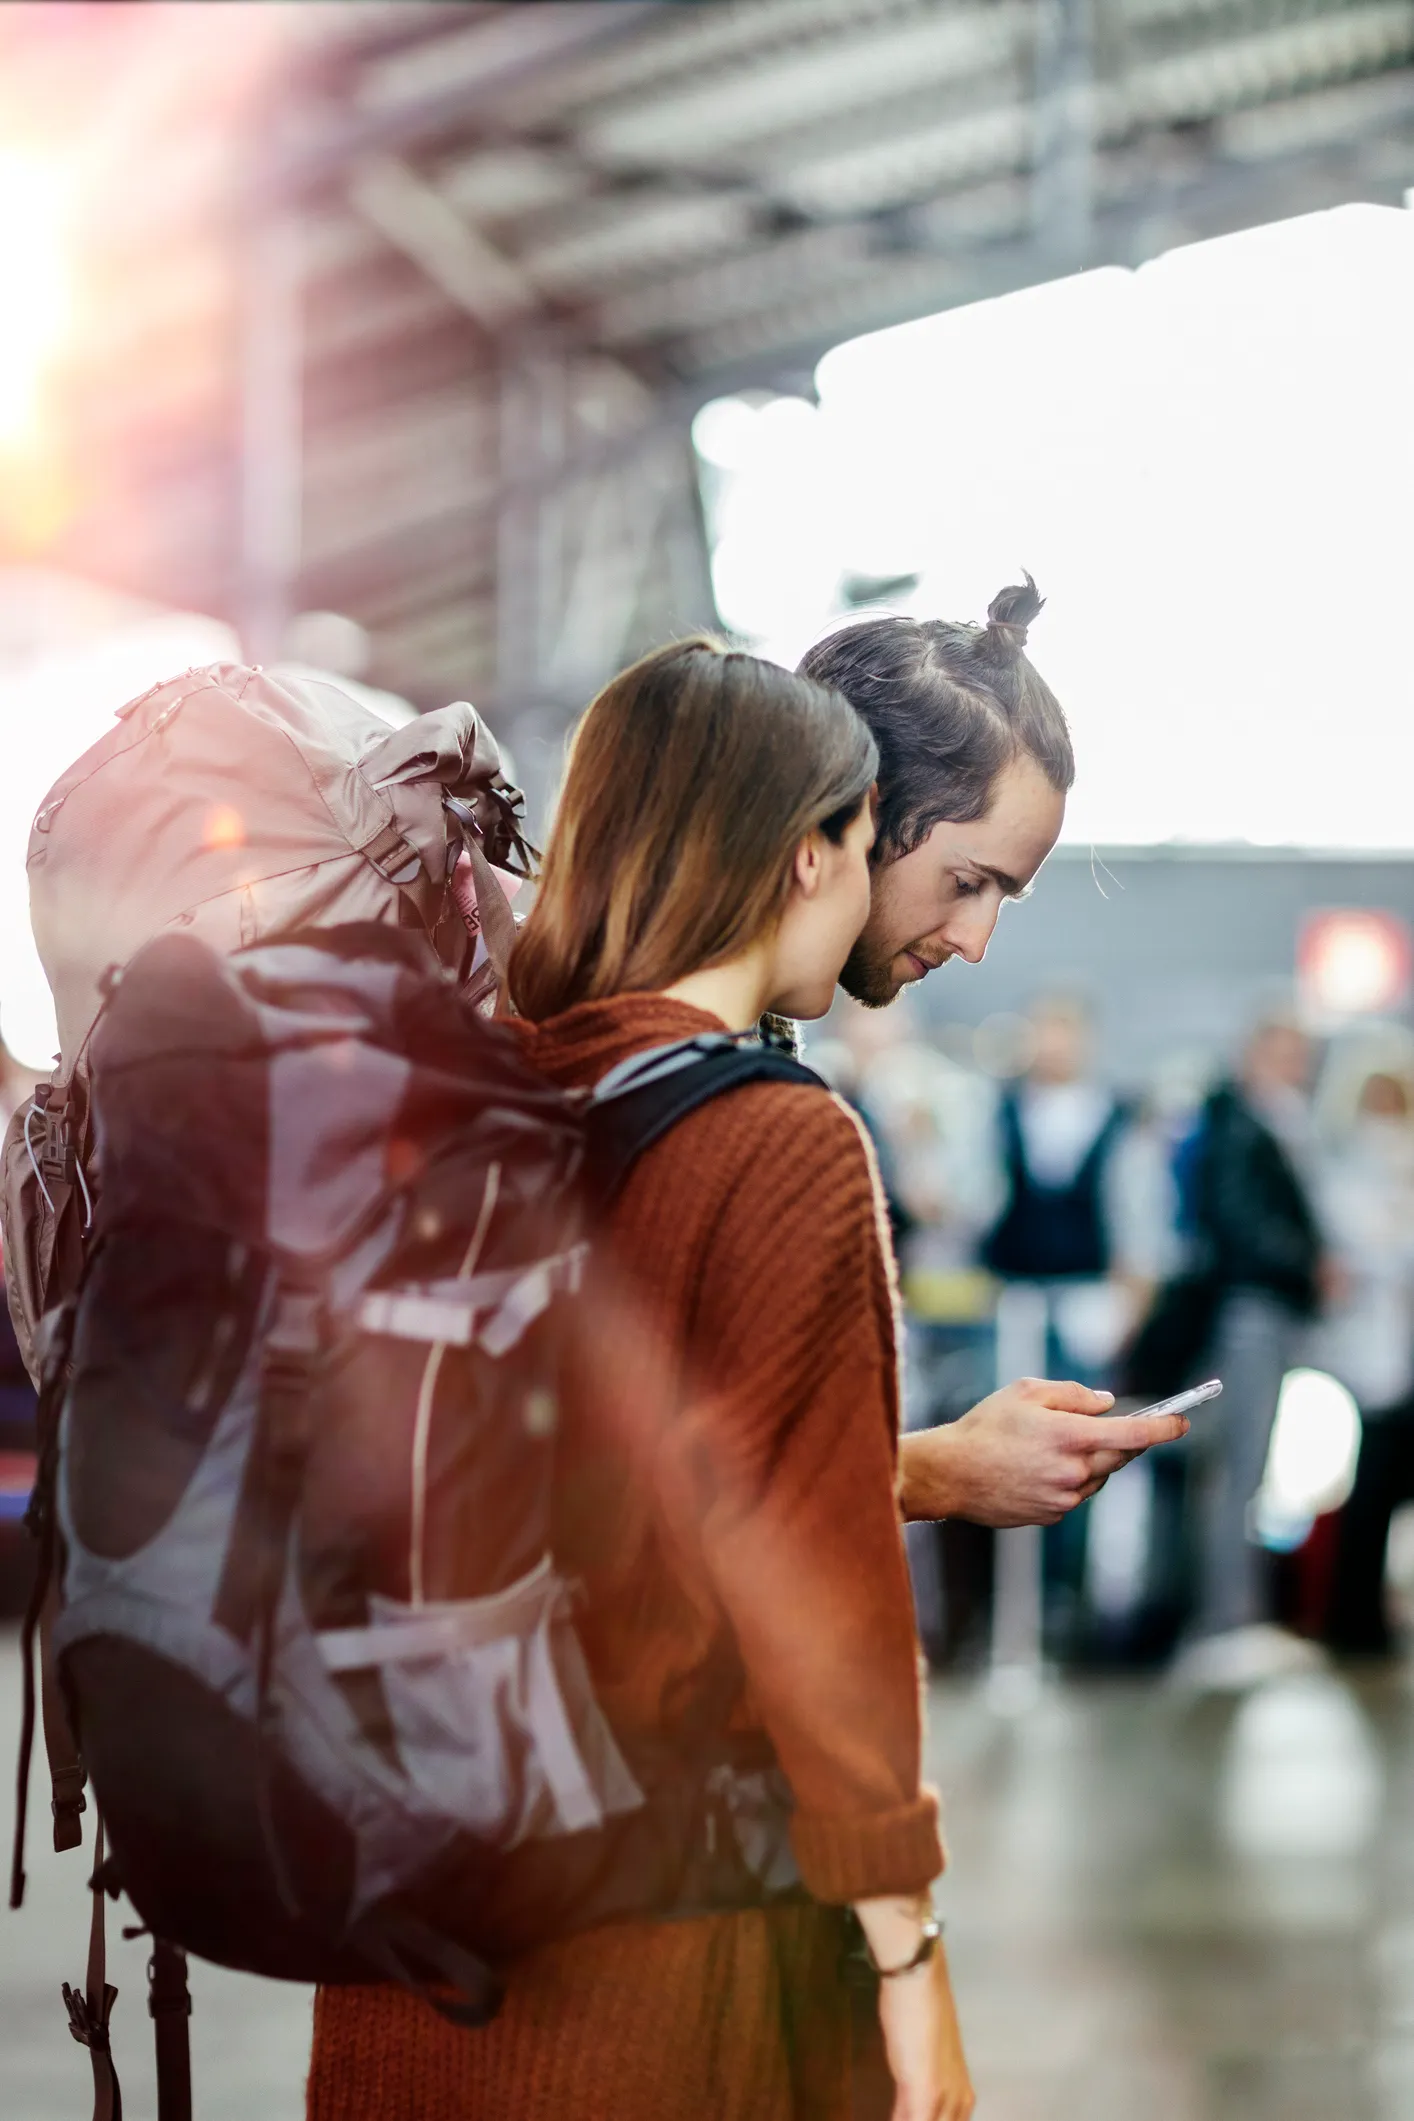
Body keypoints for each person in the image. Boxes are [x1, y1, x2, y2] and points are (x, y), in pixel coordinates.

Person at [309, 638, 972, 2121]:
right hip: (657, 1962)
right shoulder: (776, 1142)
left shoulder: (437, 1104)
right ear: (803, 857)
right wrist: (905, 1952)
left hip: (400, 1944)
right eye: (867, 849)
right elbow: (814, 1585)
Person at [798, 583, 1190, 1528]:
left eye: (999, 900)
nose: (974, 943)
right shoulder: (702, 1070)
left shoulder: (764, 1057)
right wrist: (933, 1472)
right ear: (849, 815)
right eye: (967, 882)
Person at [1167, 1010, 1327, 1687]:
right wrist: (1307, 1264)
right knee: (1238, 1468)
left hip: (1258, 1306)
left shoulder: (1260, 1123)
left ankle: (1235, 1615)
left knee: (1243, 1470)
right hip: (1250, 1309)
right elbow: (1240, 1225)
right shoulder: (1241, 1125)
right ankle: (1229, 1620)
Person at [1315, 1065, 1414, 1654]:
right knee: (1371, 1489)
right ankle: (1353, 1620)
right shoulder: (1345, 1178)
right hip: (1374, 1363)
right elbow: (1368, 1254)